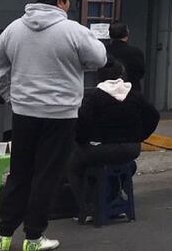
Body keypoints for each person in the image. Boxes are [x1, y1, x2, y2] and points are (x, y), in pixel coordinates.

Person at [0, 0, 107, 251]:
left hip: (24, 113)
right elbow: (99, 59)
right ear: (61, 1)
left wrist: (11, 95)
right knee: (47, 175)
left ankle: (4, 235)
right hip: (61, 115)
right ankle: (34, 237)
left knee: (20, 173)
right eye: (68, 0)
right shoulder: (73, 30)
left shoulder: (14, 28)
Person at [69, 61, 160, 223]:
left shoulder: (95, 96)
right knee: (128, 166)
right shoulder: (134, 94)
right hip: (131, 148)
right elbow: (154, 115)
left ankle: (87, 207)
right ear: (122, 75)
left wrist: (82, 141)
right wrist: (140, 136)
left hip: (101, 149)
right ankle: (112, 199)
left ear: (99, 76)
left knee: (73, 166)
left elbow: (82, 122)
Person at [106, 23, 145, 95]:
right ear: (127, 34)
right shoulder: (136, 52)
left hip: (108, 91)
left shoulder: (105, 51)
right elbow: (141, 73)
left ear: (110, 35)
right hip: (131, 91)